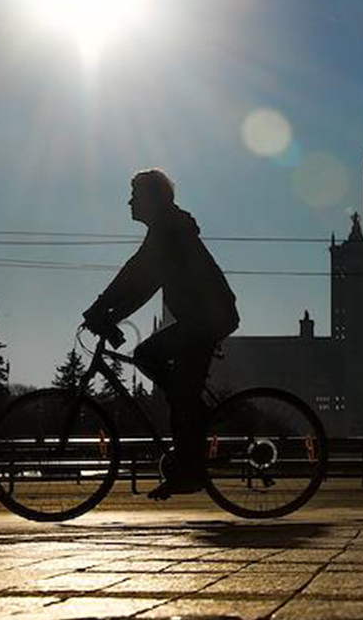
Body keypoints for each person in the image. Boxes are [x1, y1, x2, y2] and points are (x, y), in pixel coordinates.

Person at [83, 168, 239, 499]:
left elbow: (137, 274)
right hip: (205, 317)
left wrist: (102, 309)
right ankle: (192, 418)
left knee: (162, 374)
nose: (129, 201)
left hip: (207, 318)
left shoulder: (168, 230)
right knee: (166, 376)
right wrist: (109, 313)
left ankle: (190, 464)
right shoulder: (168, 228)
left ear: (152, 199)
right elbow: (144, 283)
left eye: (135, 194)